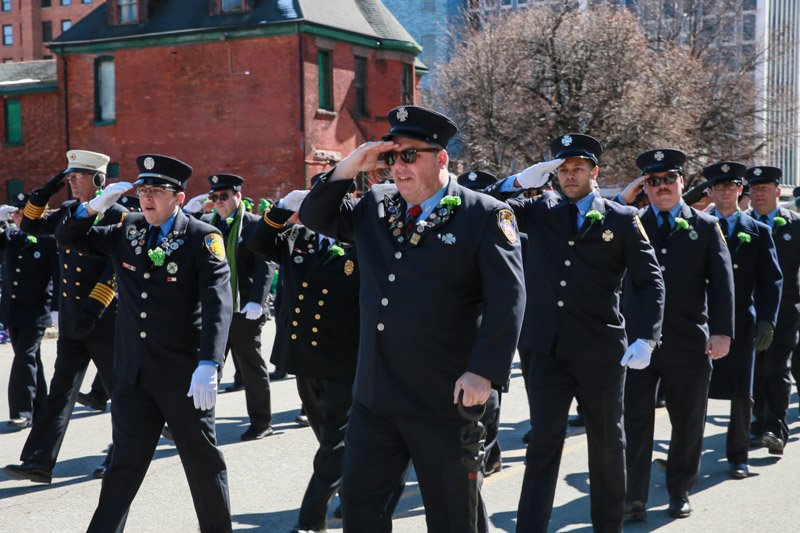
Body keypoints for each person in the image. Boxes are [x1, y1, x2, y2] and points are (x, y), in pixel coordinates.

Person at [299, 105, 525, 532]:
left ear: (440, 158)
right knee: (361, 513)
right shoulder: (377, 204)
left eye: (409, 156)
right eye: (391, 157)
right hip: (375, 397)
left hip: (445, 400)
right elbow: (315, 216)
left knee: (452, 518)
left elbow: (508, 301)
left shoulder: (486, 215)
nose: (398, 168)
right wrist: (352, 163)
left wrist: (484, 373)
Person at [484, 133, 665, 533]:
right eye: (562, 169)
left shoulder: (621, 218)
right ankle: (530, 526)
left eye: (576, 169)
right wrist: (519, 181)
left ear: (593, 172)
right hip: (545, 349)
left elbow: (650, 281)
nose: (569, 176)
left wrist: (646, 336)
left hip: (601, 350)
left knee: (606, 443)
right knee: (544, 442)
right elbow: (488, 208)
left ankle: (607, 525)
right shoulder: (538, 210)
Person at [55, 154, 234, 532]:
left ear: (179, 198)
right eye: (143, 190)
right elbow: (67, 237)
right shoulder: (128, 229)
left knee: (203, 466)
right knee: (122, 468)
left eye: (156, 191)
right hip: (133, 378)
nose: (147, 198)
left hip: (183, 378)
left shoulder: (203, 238)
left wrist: (210, 363)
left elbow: (220, 303)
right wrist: (93, 206)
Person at [616, 149, 734, 520]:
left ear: (683, 182)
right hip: (637, 344)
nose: (662, 186)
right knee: (634, 422)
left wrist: (722, 333)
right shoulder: (628, 223)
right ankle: (633, 496)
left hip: (688, 341)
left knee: (688, 421)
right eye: (653, 181)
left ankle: (680, 489)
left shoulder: (704, 226)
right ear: (644, 188)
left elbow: (722, 284)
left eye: (669, 179)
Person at [247, 181, 362, 532]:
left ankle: (311, 520)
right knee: (326, 435)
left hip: (345, 360)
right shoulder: (300, 239)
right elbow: (257, 242)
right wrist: (282, 207)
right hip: (303, 359)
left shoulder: (360, 241)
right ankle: (353, 489)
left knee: (333, 444)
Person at [4, 150, 124, 484]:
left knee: (121, 392)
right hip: (73, 319)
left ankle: (120, 459)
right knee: (60, 392)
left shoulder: (120, 214)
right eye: (68, 177)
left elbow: (116, 267)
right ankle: (39, 462)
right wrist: (45, 191)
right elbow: (30, 225)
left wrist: (96, 305)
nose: (71, 182)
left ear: (98, 180)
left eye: (78, 176)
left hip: (104, 318)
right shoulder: (70, 211)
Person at [704, 161, 782, 480]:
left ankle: (738, 455)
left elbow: (771, 279)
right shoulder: (698, 227)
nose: (725, 192)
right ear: (709, 191)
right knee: (692, 392)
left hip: (742, 321)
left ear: (741, 190)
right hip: (702, 321)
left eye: (731, 186)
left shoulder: (759, 231)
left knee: (742, 393)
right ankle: (687, 452)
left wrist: (767, 319)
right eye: (718, 186)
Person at [204, 173, 274, 440]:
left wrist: (257, 300)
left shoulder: (254, 225)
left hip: (245, 310)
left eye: (224, 196)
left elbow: (265, 264)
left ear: (238, 196)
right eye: (215, 197)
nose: (219, 201)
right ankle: (197, 422)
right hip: (218, 310)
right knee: (209, 368)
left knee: (251, 369)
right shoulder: (211, 227)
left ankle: (261, 422)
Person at [746, 166, 800, 455]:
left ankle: (774, 429)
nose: (758, 195)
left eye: (764, 189)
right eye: (754, 190)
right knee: (755, 369)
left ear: (778, 191)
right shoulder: (743, 225)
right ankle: (757, 423)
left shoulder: (795, 225)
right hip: (750, 310)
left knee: (777, 368)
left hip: (787, 311)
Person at [0, 197, 60, 430]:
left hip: (36, 311)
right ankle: (42, 406)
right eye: (17, 215)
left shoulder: (47, 240)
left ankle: (22, 411)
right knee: (30, 358)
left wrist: (56, 309)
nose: (20, 218)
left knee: (24, 357)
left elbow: (57, 276)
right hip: (13, 311)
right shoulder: (10, 237)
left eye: (25, 215)